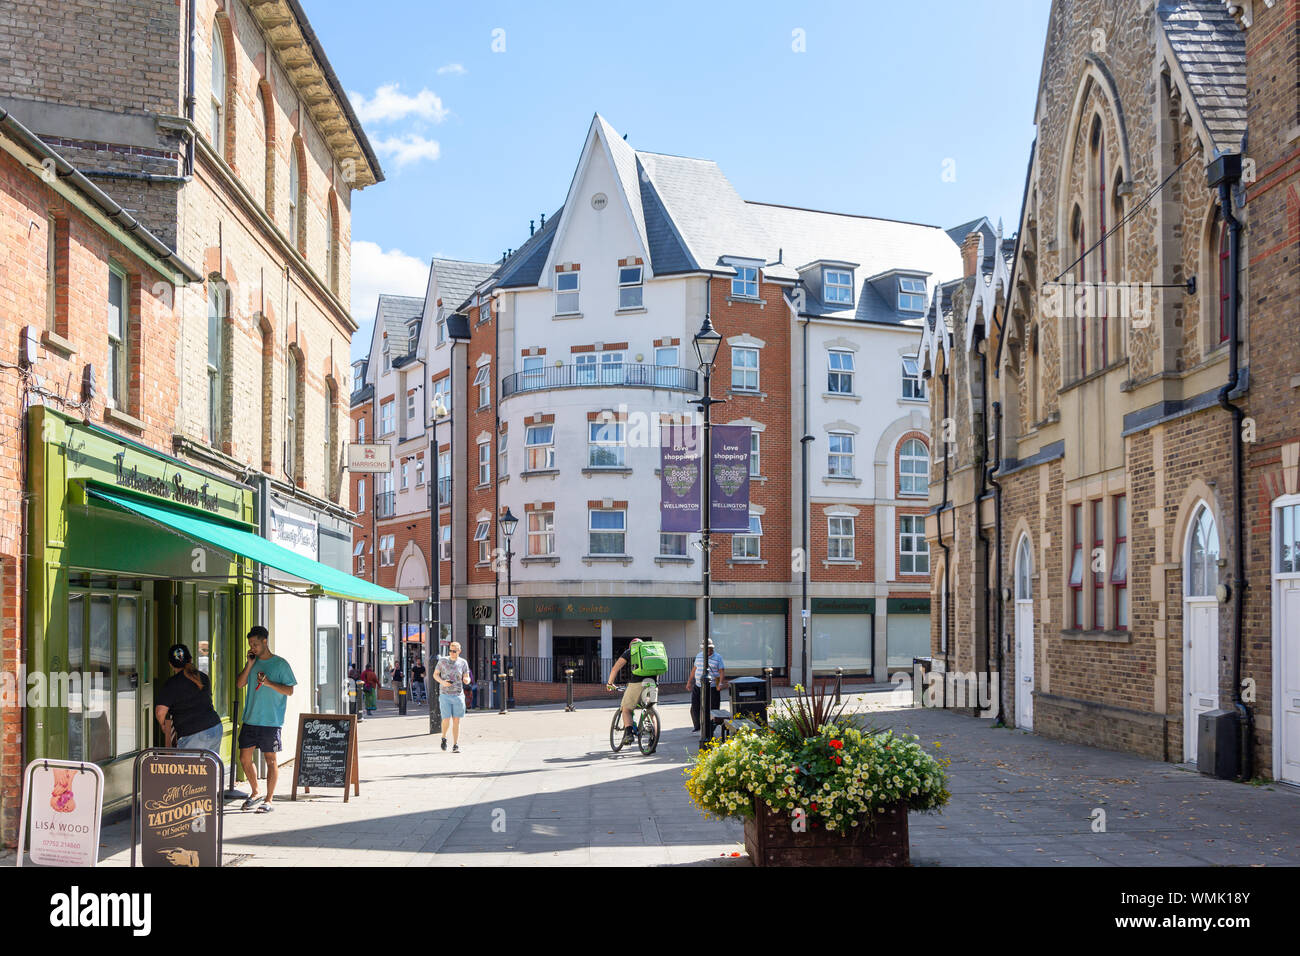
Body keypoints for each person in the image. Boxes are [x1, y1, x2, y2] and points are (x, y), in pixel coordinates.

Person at [235, 626, 296, 812]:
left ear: (264, 641)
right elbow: (239, 684)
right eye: (250, 644)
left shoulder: (280, 664)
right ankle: (255, 792)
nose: (252, 647)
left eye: (255, 644)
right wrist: (250, 664)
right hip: (250, 718)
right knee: (244, 758)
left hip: (271, 721)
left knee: (270, 760)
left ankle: (269, 800)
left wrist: (269, 683)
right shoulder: (252, 663)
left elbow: (290, 690)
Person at [154, 643, 223, 753]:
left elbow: (160, 712)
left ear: (170, 664)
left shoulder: (172, 683)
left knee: (187, 769)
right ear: (190, 659)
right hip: (214, 727)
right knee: (209, 768)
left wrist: (163, 726)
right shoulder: (203, 677)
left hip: (193, 733)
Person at [605, 638, 647, 746]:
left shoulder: (630, 651)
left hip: (636, 683)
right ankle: (653, 738)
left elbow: (615, 668)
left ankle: (628, 734)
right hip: (653, 683)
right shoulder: (648, 652)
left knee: (626, 708)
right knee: (650, 709)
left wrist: (610, 683)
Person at [434, 642, 470, 752]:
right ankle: (444, 737)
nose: (452, 653)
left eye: (454, 651)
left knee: (456, 720)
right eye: (450, 650)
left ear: (459, 651)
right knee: (446, 719)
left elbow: (467, 677)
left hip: (458, 695)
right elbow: (435, 674)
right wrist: (442, 682)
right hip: (445, 694)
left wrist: (466, 680)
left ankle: (455, 744)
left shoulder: (463, 663)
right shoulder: (443, 661)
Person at [686, 641, 727, 733]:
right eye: (707, 648)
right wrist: (689, 682)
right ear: (703, 649)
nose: (709, 650)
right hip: (698, 685)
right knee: (695, 707)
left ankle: (711, 728)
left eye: (710, 648)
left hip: (712, 686)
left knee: (713, 708)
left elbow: (721, 671)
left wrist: (720, 683)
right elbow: (694, 669)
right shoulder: (699, 656)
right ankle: (697, 726)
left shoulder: (718, 657)